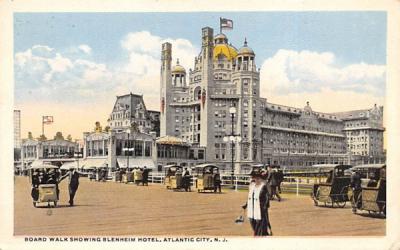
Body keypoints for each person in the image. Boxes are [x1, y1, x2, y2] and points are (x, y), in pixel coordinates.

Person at [242, 170, 272, 236]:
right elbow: (250, 196)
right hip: (251, 207)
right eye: (253, 177)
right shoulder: (252, 185)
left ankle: (259, 236)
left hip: (260, 207)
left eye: (256, 177)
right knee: (251, 221)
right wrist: (246, 204)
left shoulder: (263, 185)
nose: (254, 179)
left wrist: (265, 206)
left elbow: (268, 196)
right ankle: (262, 234)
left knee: (260, 223)